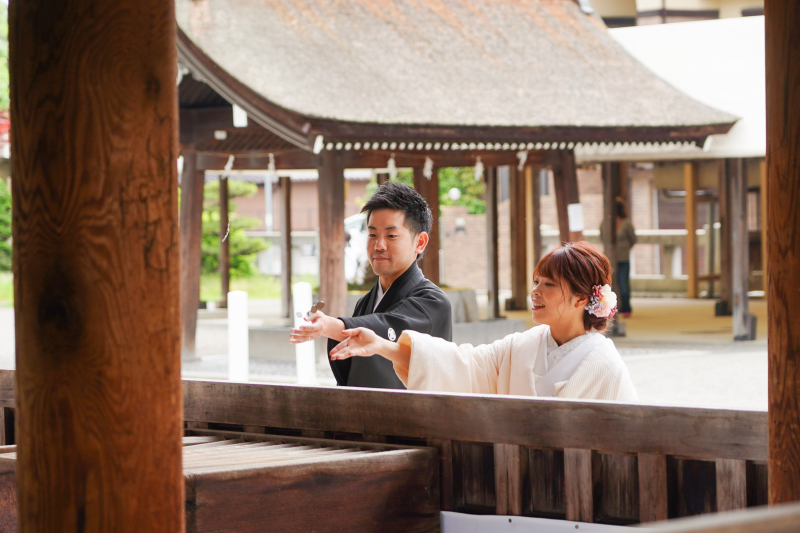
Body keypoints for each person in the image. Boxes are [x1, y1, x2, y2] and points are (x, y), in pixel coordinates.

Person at [328, 242, 638, 402]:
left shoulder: (605, 366)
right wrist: (382, 346)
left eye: (549, 285)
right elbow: (463, 365)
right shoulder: (521, 346)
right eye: (536, 281)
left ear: (582, 299)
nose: (535, 292)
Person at [290, 181, 452, 389]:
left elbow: (388, 326)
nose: (379, 245)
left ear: (419, 242)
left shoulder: (434, 302)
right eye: (372, 235)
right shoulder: (365, 303)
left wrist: (331, 326)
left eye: (391, 236)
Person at [600, 197, 636, 318]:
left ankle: (626, 308)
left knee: (624, 284)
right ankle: (611, 308)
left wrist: (624, 249)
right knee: (609, 285)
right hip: (609, 259)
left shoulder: (626, 223)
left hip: (623, 259)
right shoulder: (605, 223)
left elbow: (633, 239)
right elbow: (602, 237)